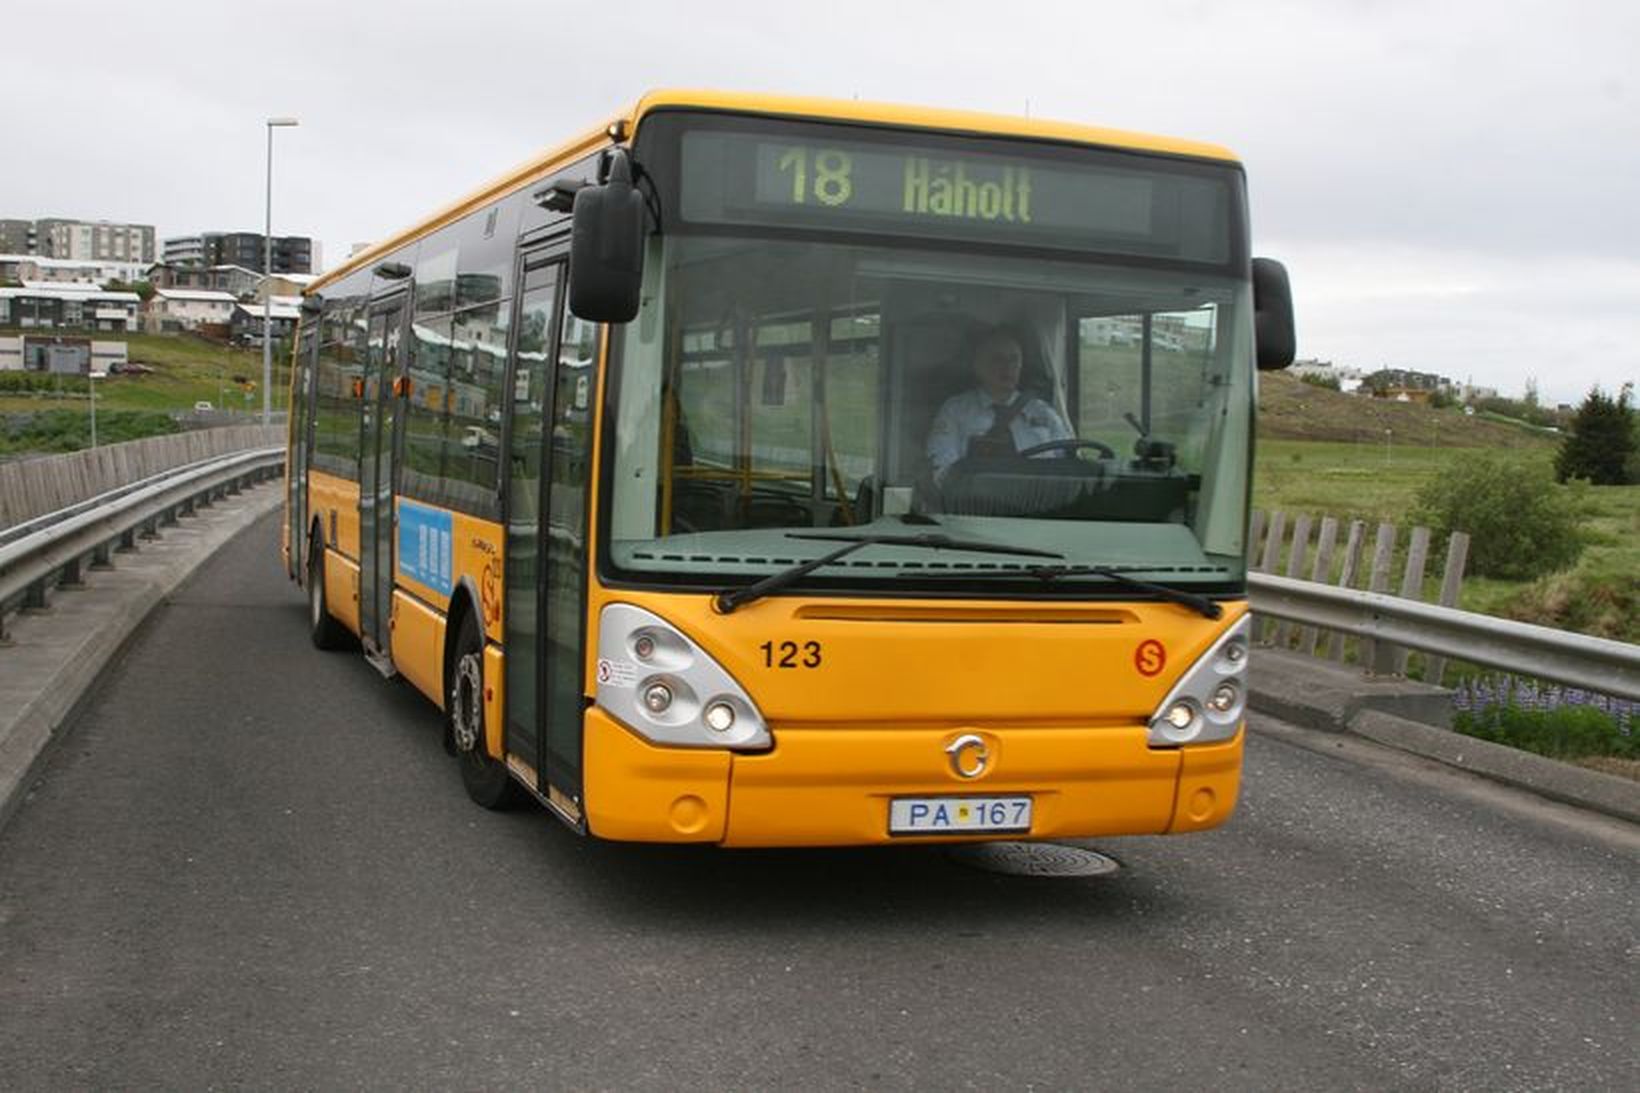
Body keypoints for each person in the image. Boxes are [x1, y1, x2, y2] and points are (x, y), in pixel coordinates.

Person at [925, 325, 1073, 481]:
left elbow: (1070, 463)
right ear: (978, 366)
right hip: (977, 501)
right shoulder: (955, 410)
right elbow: (942, 469)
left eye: (1014, 359)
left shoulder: (1042, 411)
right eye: (998, 359)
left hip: (1040, 500)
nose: (1007, 367)